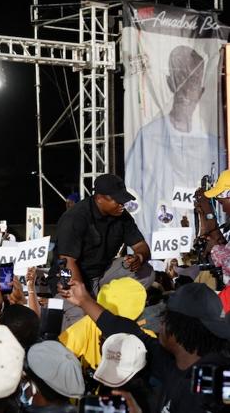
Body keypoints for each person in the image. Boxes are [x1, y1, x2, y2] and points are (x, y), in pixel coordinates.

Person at [61, 280, 230, 412]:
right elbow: (125, 330)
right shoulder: (172, 362)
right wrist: (83, 300)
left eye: (164, 319)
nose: (159, 326)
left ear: (178, 328)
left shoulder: (214, 383)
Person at [126, 45, 217, 239]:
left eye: (193, 80)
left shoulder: (212, 146)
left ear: (201, 90)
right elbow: (132, 196)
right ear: (170, 83)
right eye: (181, 77)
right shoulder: (147, 138)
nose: (186, 87)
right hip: (160, 245)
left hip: (203, 244)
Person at [47, 174, 152, 302]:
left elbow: (141, 246)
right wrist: (83, 297)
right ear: (99, 198)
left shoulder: (123, 216)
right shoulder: (75, 218)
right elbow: (67, 261)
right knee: (85, 317)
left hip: (102, 275)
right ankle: (88, 303)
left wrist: (139, 257)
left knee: (147, 272)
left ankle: (107, 302)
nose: (122, 204)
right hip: (73, 278)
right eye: (117, 200)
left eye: (123, 199)